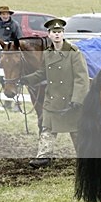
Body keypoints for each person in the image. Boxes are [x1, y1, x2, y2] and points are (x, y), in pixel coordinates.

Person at [22, 19, 89, 168]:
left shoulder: (74, 53)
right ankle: (43, 157)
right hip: (52, 100)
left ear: (63, 34)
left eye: (59, 32)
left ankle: (86, 159)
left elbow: (82, 78)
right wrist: (26, 80)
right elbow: (42, 73)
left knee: (77, 133)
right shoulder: (47, 53)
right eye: (54, 32)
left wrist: (77, 100)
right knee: (47, 128)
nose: (57, 35)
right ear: (49, 35)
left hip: (71, 102)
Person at [0, 6, 23, 109]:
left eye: (7, 14)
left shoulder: (15, 25)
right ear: (0, 15)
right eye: (3, 14)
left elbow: (19, 39)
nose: (5, 16)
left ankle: (17, 103)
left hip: (12, 56)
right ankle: (7, 102)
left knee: (15, 78)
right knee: (2, 79)